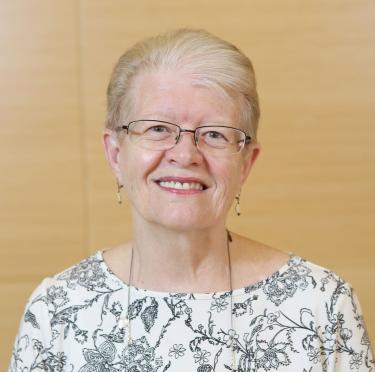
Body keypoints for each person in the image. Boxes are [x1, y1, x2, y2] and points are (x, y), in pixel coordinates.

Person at [9, 29, 374, 372]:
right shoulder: (58, 308)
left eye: (214, 134)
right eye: (158, 129)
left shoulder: (321, 304)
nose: (185, 155)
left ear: (245, 162)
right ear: (116, 153)